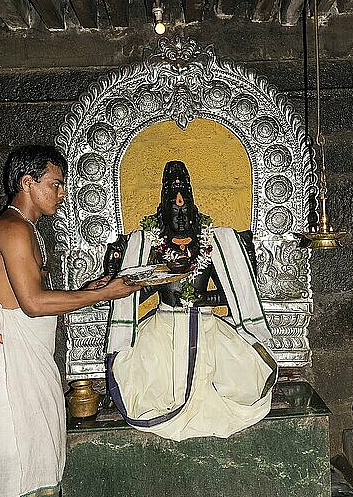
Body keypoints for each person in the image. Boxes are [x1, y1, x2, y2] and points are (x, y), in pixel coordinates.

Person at [0, 144, 140, 497]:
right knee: (12, 462)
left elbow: (28, 297)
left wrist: (88, 289)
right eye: (55, 184)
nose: (62, 194)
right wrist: (104, 295)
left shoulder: (26, 228)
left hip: (22, 354)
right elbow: (33, 304)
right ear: (28, 182)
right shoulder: (13, 230)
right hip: (4, 360)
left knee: (37, 454)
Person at [104, 161, 277, 441]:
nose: (181, 213)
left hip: (208, 327)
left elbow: (232, 295)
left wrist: (201, 298)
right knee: (146, 385)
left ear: (194, 209)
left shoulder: (212, 244)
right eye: (175, 209)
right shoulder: (148, 247)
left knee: (237, 381)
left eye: (185, 208)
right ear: (163, 212)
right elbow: (130, 300)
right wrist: (154, 280)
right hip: (164, 330)